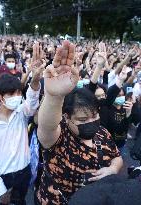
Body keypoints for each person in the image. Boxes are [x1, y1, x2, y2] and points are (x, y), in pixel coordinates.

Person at [36, 40, 123, 205]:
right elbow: (46, 127)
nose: (92, 122)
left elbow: (117, 157)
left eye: (94, 116)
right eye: (83, 120)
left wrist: (113, 169)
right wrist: (54, 97)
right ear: (66, 118)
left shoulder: (102, 133)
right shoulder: (59, 137)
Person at [0, 68, 42, 205]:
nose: (17, 96)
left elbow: (32, 101)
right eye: (12, 93)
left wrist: (35, 80)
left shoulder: (21, 112)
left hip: (23, 173)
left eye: (19, 92)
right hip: (2, 177)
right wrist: (0, 189)